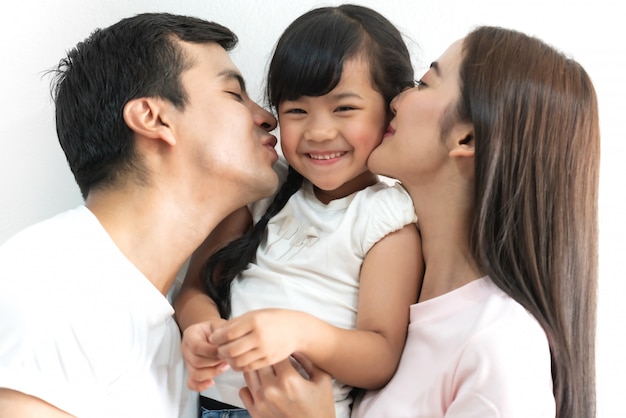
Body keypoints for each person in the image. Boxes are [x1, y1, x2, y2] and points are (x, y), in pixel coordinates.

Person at [239, 25, 600, 418]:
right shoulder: (395, 302)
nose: (397, 100)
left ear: (467, 139)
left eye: (424, 84)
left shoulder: (500, 344)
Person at [0, 12, 281, 418]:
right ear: (153, 118)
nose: (267, 117)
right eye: (234, 95)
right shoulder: (48, 282)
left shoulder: (171, 337)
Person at [173, 5, 423, 418]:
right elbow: (195, 289)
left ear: (391, 110)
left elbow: (380, 355)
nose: (319, 131)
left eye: (344, 108)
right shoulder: (265, 191)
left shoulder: (385, 217)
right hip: (205, 405)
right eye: (297, 111)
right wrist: (202, 329)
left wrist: (301, 333)